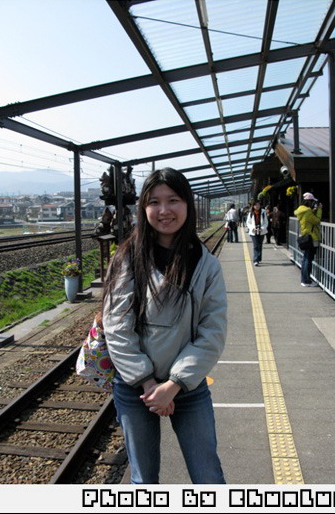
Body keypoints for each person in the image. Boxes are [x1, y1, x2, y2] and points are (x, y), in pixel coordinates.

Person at [102, 168, 227, 484]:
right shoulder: (128, 257)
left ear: (187, 204)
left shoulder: (205, 264)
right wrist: (147, 384)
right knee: (144, 481)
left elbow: (212, 331)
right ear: (144, 208)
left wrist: (173, 384)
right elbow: (116, 325)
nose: (164, 210)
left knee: (208, 476)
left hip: (188, 386)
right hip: (135, 389)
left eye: (173, 200)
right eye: (154, 202)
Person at [294, 192, 322, 287]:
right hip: (311, 237)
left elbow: (309, 220)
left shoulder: (302, 211)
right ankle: (306, 281)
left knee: (305, 258)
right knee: (308, 259)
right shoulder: (307, 212)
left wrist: (313, 210)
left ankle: (304, 279)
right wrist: (319, 210)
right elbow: (316, 220)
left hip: (306, 236)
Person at [246, 201, 268, 266]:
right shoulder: (251, 213)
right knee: (256, 245)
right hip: (253, 231)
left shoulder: (263, 212)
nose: (257, 206)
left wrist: (262, 228)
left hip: (261, 231)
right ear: (253, 206)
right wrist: (252, 228)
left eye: (258, 205)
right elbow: (248, 223)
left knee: (260, 245)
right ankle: (256, 260)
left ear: (260, 205)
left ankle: (259, 258)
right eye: (255, 205)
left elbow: (266, 222)